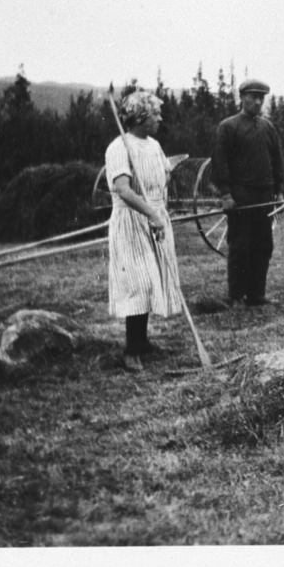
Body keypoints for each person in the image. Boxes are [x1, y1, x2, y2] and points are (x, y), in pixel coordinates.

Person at [105, 90, 184, 371]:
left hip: (154, 217)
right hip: (131, 221)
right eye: (155, 114)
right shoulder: (119, 147)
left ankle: (142, 341)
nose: (160, 118)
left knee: (153, 280)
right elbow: (123, 190)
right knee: (138, 282)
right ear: (140, 117)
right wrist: (151, 213)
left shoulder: (154, 145)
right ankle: (130, 350)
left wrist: (167, 172)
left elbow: (162, 174)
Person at [212, 78, 284, 307]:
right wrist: (226, 194)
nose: (257, 101)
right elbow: (220, 163)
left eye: (260, 98)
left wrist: (280, 191)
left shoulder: (267, 127)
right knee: (240, 246)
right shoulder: (228, 126)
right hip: (240, 196)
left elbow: (277, 161)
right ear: (242, 98)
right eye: (252, 97)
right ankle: (236, 296)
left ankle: (257, 294)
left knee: (263, 246)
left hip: (265, 196)